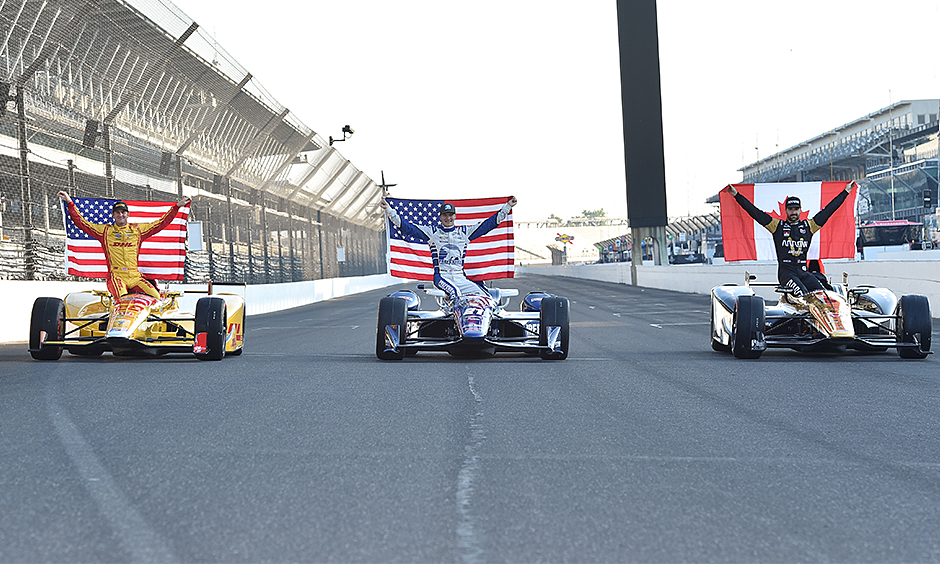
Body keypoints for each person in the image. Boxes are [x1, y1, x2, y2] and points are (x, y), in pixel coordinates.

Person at [726, 182, 854, 301]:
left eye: (796, 209)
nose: (793, 212)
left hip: (803, 271)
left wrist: (846, 192)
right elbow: (755, 212)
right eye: (791, 209)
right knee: (803, 295)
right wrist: (736, 195)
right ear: (786, 210)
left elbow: (829, 211)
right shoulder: (777, 226)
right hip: (786, 273)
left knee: (824, 296)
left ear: (800, 210)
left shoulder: (809, 226)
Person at [380, 196, 517, 303]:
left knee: (485, 299)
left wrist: (507, 207)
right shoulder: (432, 232)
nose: (448, 218)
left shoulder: (464, 232)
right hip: (442, 277)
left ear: (455, 216)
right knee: (456, 295)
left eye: (450, 215)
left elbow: (489, 224)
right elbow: (406, 227)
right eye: (445, 215)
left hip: (461, 278)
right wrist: (389, 210)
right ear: (440, 217)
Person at [57, 191, 191, 299]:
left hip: (135, 276)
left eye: (123, 212)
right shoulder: (105, 231)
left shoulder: (137, 230)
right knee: (123, 300)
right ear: (113, 215)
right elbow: (81, 223)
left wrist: (177, 207)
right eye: (117, 213)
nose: (120, 215)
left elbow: (162, 223)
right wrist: (70, 203)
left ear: (128, 214)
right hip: (116, 277)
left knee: (156, 298)